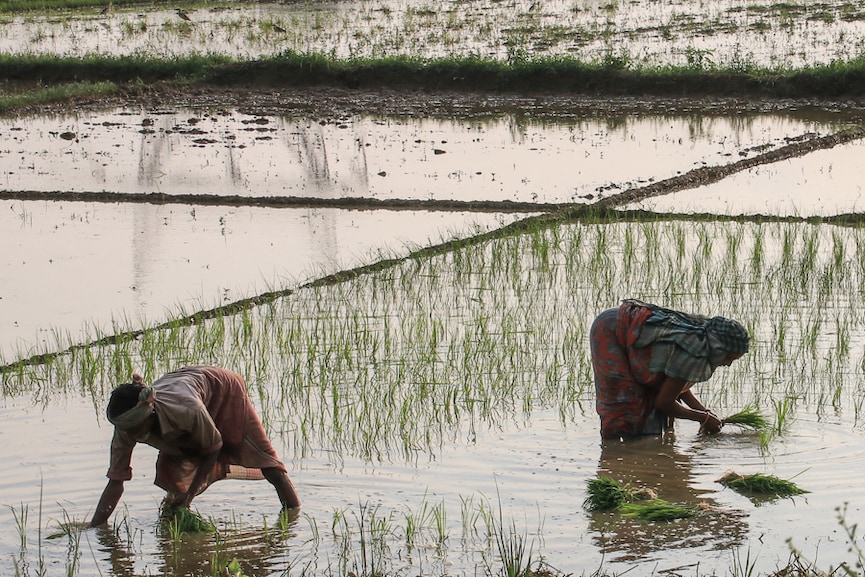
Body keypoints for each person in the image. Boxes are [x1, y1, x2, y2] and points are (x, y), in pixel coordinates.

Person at [90, 365, 300, 527]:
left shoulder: (186, 410)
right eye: (128, 430)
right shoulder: (125, 429)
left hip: (222, 390)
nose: (132, 434)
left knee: (265, 460)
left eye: (136, 428)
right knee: (171, 475)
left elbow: (214, 445)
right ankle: (172, 522)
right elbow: (116, 481)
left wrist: (189, 496)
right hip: (183, 388)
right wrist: (96, 526)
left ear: (149, 415)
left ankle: (294, 515)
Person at [589, 299, 749, 439]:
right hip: (611, 329)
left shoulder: (703, 346)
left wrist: (704, 412)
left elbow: (676, 385)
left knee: (647, 415)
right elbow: (664, 402)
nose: (728, 364)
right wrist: (703, 418)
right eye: (729, 359)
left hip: (626, 326)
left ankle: (642, 454)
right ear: (719, 348)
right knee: (624, 404)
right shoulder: (694, 349)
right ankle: (613, 454)